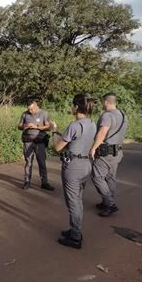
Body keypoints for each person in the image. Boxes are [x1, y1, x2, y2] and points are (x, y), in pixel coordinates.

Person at [54, 94, 96, 249]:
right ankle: (74, 229)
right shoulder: (92, 124)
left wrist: (54, 132)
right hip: (86, 164)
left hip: (73, 166)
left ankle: (76, 237)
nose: (71, 108)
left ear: (77, 107)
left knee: (72, 201)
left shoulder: (74, 125)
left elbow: (58, 147)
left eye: (72, 105)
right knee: (77, 199)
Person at [89, 93, 128, 217]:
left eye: (102, 102)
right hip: (117, 151)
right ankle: (107, 201)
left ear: (105, 102)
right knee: (110, 178)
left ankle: (110, 204)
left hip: (105, 152)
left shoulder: (107, 115)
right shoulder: (123, 115)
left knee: (97, 177)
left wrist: (93, 148)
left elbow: (102, 132)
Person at [18, 99, 55, 191]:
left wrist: (36, 126)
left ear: (36, 106)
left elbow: (48, 126)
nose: (30, 111)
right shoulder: (25, 114)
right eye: (29, 109)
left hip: (40, 142)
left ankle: (44, 182)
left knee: (42, 162)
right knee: (28, 162)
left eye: (32, 109)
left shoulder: (44, 114)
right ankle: (27, 181)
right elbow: (19, 126)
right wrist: (25, 126)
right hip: (28, 141)